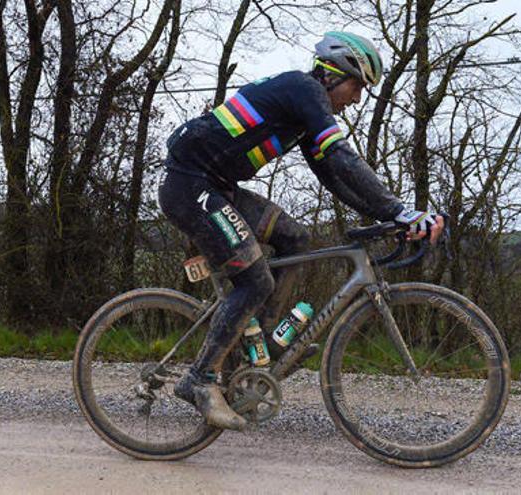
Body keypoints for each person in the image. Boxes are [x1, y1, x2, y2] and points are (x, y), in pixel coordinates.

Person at [158, 32, 444, 430]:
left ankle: (263, 348)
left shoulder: (302, 114)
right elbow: (343, 157)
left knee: (295, 239)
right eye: (357, 85)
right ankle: (199, 380)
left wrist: (385, 215)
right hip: (190, 185)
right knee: (254, 282)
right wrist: (399, 211)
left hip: (216, 185)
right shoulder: (303, 89)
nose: (358, 98)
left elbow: (334, 175)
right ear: (332, 75)